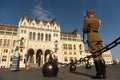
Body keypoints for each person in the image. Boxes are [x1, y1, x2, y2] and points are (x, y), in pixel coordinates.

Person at [82, 9, 106, 79]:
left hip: (92, 37)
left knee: (95, 55)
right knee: (100, 55)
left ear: (88, 14)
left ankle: (99, 74)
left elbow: (85, 30)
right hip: (98, 37)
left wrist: (84, 28)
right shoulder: (98, 20)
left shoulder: (87, 20)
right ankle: (104, 73)